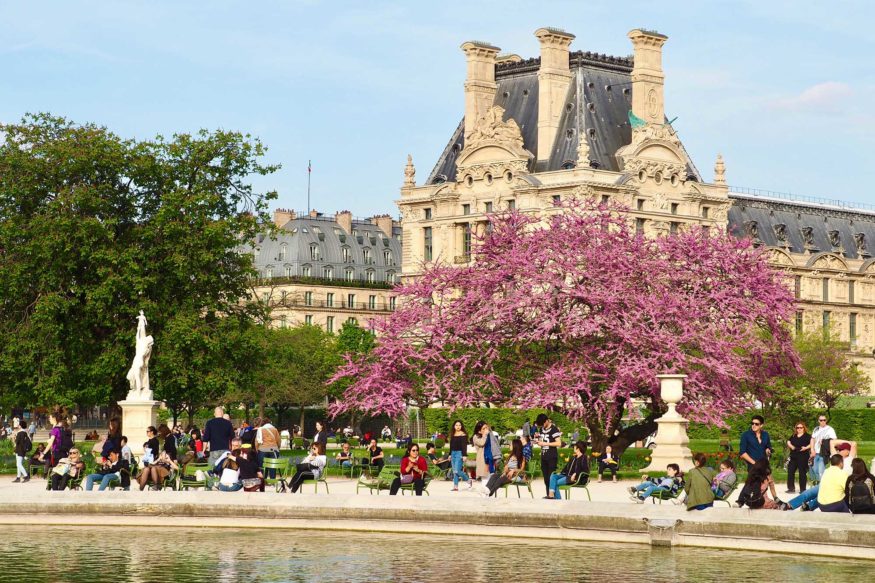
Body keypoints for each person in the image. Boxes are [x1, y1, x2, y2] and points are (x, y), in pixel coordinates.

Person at [785, 441, 855, 511]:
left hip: (839, 485)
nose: (838, 451)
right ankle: (789, 505)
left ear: (847, 451)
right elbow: (831, 442)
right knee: (809, 493)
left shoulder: (851, 459)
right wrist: (845, 442)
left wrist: (849, 444)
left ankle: (809, 507)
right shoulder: (836, 457)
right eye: (838, 449)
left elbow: (854, 443)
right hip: (827, 482)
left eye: (841, 450)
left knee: (825, 496)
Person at [535, 414, 562, 497]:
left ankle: (552, 495)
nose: (542, 426)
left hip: (552, 457)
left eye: (543, 423)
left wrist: (545, 443)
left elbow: (559, 443)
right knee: (546, 479)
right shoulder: (541, 429)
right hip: (544, 456)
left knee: (551, 478)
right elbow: (541, 441)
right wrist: (537, 439)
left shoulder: (554, 429)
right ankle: (548, 495)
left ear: (547, 421)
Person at [810, 414, 836, 483]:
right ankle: (819, 484)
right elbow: (812, 439)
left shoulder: (830, 429)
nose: (823, 421)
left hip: (824, 452)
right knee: (815, 469)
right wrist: (812, 449)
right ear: (818, 421)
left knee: (821, 470)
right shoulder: (816, 429)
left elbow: (834, 440)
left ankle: (822, 484)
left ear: (826, 421)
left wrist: (825, 441)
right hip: (816, 452)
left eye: (824, 420)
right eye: (821, 420)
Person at [449, 420, 472, 492]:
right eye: (456, 425)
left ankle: (468, 480)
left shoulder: (463, 434)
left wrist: (464, 455)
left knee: (457, 470)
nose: (458, 427)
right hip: (453, 453)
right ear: (454, 426)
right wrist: (450, 454)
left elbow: (464, 446)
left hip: (460, 453)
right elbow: (451, 445)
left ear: (461, 426)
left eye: (459, 425)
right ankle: (455, 487)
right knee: (454, 471)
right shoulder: (453, 434)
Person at [13, 418, 31, 482]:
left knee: (18, 464)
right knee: (19, 464)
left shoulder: (20, 433)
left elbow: (16, 442)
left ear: (20, 425)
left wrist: (14, 437)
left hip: (19, 450)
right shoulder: (24, 433)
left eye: (19, 424)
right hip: (21, 450)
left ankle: (26, 476)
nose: (18, 425)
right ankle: (18, 477)